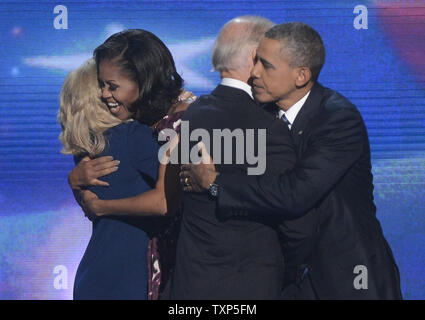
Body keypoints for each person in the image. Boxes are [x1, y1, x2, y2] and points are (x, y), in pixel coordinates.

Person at [180, 22, 402, 299]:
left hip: (348, 281)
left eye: (266, 65)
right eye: (256, 60)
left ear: (301, 76)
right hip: (289, 283)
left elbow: (295, 193)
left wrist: (215, 183)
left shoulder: (338, 119)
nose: (255, 72)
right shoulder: (264, 114)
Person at [168, 16, 297, 299]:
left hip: (194, 283)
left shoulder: (194, 114)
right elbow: (293, 216)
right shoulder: (269, 126)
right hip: (249, 285)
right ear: (256, 57)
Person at [59, 29, 186, 299]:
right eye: (103, 86)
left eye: (112, 86)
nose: (107, 94)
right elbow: (176, 194)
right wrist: (181, 114)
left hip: (92, 278)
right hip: (129, 280)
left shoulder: (87, 153)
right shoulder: (133, 138)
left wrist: (74, 185)